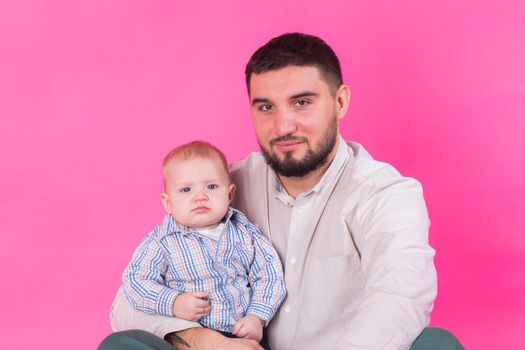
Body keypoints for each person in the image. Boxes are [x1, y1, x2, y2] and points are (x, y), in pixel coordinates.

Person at [99, 33, 464, 350]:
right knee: (124, 346)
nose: (284, 125)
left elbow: (400, 296)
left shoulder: (385, 193)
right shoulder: (225, 187)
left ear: (340, 103)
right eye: (266, 107)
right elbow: (125, 303)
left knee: (437, 346)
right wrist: (201, 340)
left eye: (302, 103)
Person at [117, 141, 285, 350]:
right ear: (168, 203)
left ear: (229, 194)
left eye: (211, 186)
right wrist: (174, 302)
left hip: (243, 334)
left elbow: (269, 274)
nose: (200, 196)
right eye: (186, 189)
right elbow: (136, 281)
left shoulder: (245, 232)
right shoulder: (161, 242)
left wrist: (257, 316)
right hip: (190, 339)